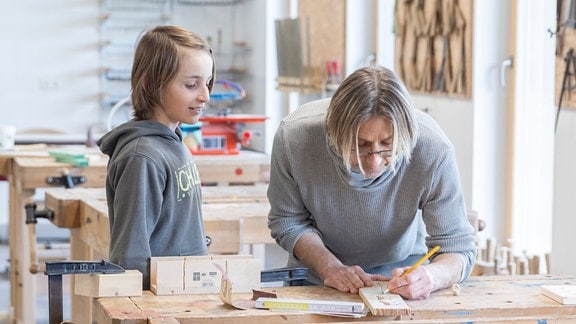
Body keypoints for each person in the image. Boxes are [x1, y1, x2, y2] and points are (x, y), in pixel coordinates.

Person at [267, 65, 477, 300]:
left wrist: (431, 277)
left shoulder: (433, 149)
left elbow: (457, 249)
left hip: (399, 284)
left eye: (388, 146)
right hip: (315, 280)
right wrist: (330, 268)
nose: (374, 164)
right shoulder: (295, 138)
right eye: (361, 146)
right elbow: (288, 221)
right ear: (334, 132)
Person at [97, 25, 215, 289]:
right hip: (159, 299)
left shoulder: (174, 143)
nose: (205, 95)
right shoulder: (142, 158)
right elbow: (130, 257)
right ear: (152, 83)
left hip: (184, 290)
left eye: (207, 83)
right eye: (191, 84)